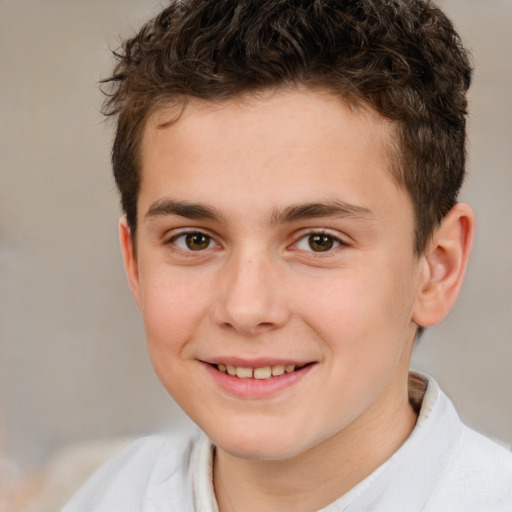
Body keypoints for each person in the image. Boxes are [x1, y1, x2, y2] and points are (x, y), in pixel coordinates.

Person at [63, 0, 512, 510]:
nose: (246, 308)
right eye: (195, 240)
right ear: (135, 264)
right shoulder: (110, 495)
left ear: (436, 268)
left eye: (320, 241)